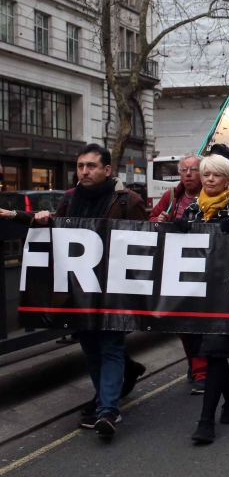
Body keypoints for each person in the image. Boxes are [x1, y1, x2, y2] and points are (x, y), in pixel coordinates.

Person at [33, 144, 146, 438]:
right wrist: (40, 219)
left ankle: (108, 410)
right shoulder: (69, 201)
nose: (84, 171)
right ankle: (106, 399)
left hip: (113, 291)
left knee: (110, 347)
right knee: (92, 350)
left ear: (107, 170)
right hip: (78, 290)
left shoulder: (128, 201)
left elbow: (142, 246)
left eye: (91, 166)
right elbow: (55, 235)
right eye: (81, 166)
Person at [176, 154, 229, 444]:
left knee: (216, 350)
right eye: (205, 174)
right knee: (211, 352)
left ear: (227, 179)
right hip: (199, 291)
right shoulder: (193, 209)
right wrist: (179, 227)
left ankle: (205, 421)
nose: (209, 179)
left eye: (216, 175)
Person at [148, 153, 208, 393]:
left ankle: (201, 371)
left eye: (194, 170)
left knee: (200, 322)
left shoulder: (210, 195)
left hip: (203, 269)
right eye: (184, 170)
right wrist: (159, 219)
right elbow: (151, 219)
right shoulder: (171, 196)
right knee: (182, 323)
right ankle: (195, 363)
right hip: (175, 269)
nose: (188, 174)